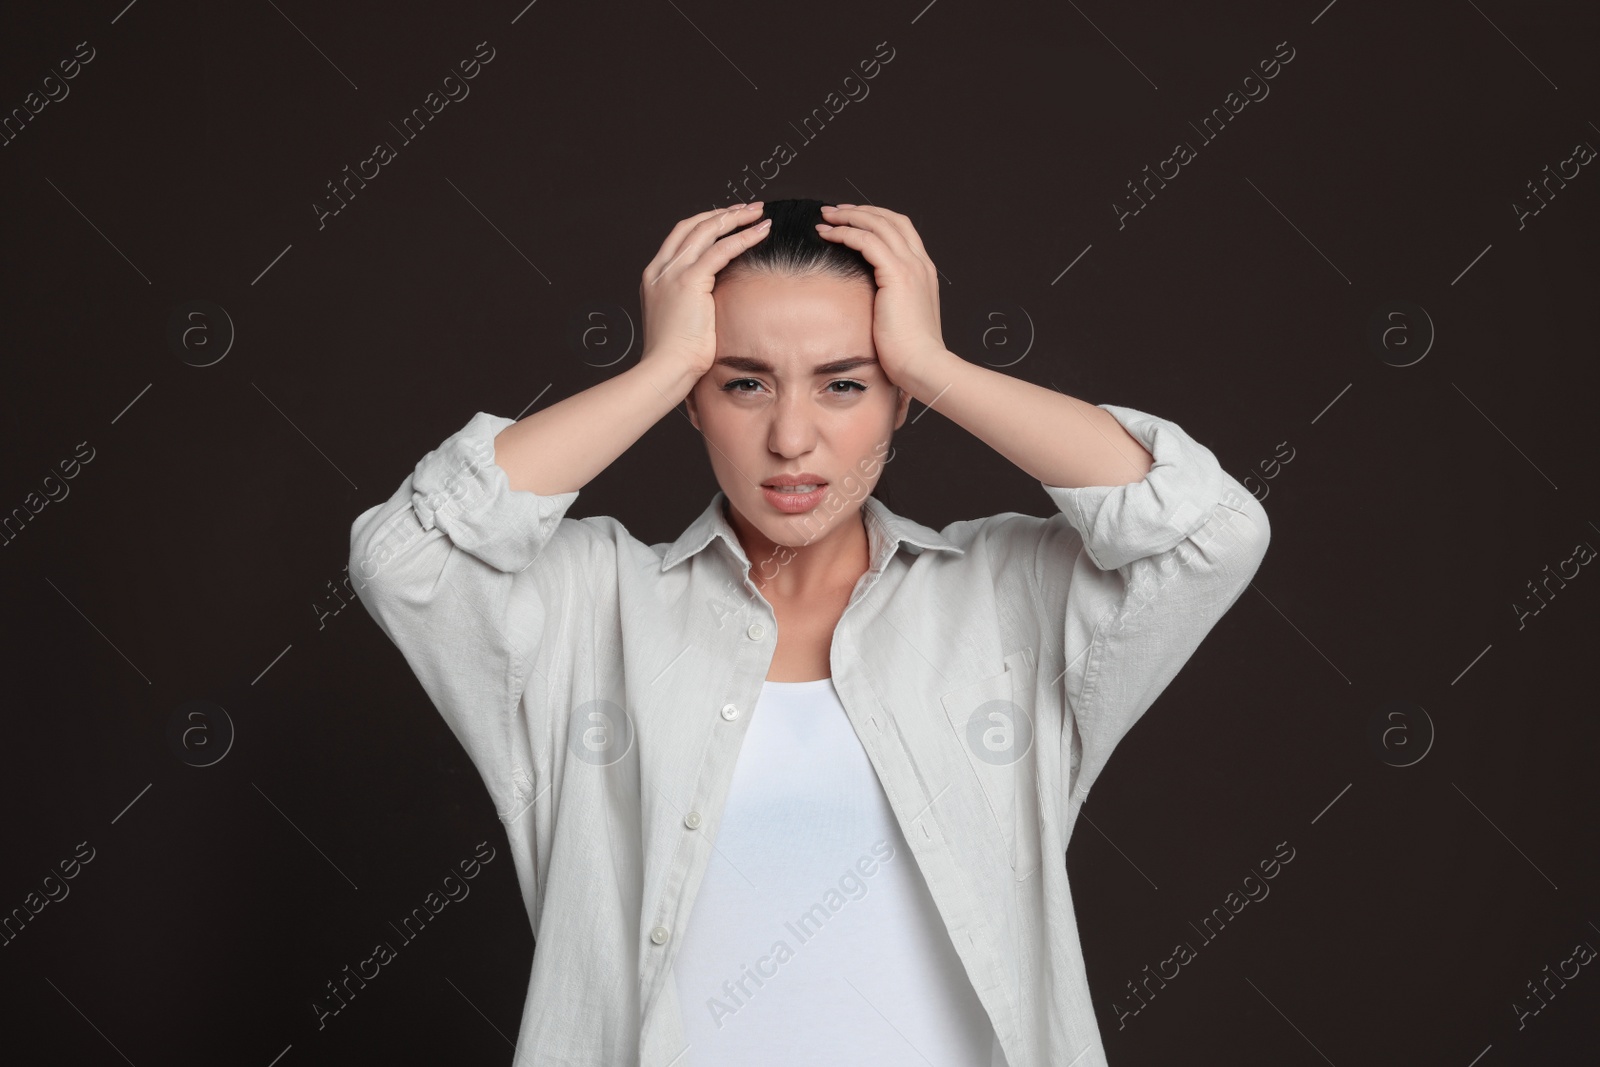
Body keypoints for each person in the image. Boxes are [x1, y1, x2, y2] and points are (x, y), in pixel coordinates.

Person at [348, 197, 1270, 1066]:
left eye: (845, 383)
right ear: (694, 403)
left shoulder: (1004, 599)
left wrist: (937, 364)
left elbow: (1209, 533)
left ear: (900, 398)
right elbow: (407, 561)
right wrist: (659, 366)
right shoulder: (596, 607)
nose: (793, 437)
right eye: (743, 382)